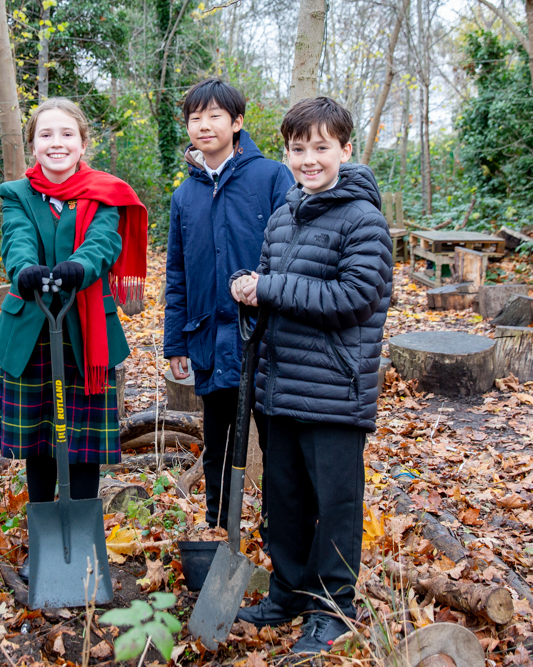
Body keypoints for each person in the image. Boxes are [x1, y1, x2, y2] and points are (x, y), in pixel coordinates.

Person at [229, 97, 393, 654]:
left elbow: (353, 298)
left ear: (346, 150)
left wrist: (268, 288)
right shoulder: (284, 215)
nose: (309, 159)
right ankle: (288, 592)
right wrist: (249, 286)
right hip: (280, 386)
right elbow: (275, 287)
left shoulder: (364, 220)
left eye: (322, 147)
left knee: (335, 504)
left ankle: (332, 608)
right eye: (298, 149)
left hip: (333, 389)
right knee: (286, 499)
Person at [0, 98, 148, 583]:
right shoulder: (16, 192)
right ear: (32, 143)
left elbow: (105, 241)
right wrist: (25, 270)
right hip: (32, 331)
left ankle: (79, 536)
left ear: (83, 143)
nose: (56, 143)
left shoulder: (106, 193)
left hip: (85, 336)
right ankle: (44, 534)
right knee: (38, 440)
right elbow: (15, 239)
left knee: (83, 446)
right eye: (46, 135)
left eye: (66, 135)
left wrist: (81, 266)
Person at [163, 79, 294, 541]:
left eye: (215, 115)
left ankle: (278, 536)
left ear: (237, 123)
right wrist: (175, 340)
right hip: (208, 340)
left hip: (266, 338)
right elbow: (176, 273)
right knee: (216, 442)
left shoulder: (272, 177)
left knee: (277, 444)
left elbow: (292, 252)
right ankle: (219, 532)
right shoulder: (184, 195)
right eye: (195, 118)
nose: (204, 125)